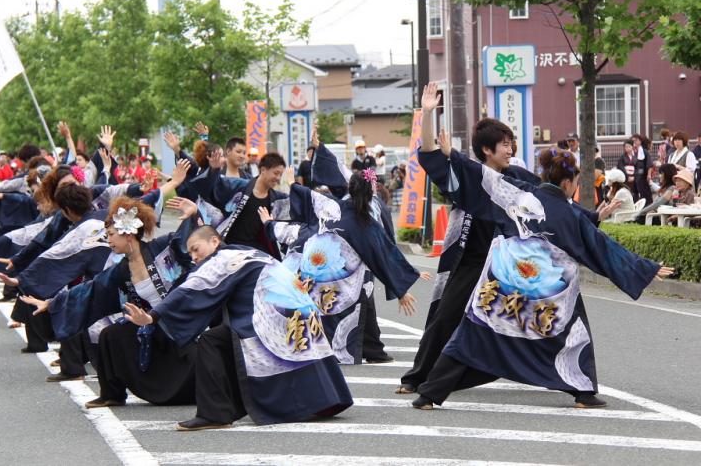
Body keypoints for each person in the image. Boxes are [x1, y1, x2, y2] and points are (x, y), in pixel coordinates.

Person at [411, 127, 672, 411]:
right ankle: (583, 392)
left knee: (473, 333)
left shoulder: (518, 191)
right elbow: (603, 248)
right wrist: (645, 269)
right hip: (544, 293)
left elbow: (483, 177)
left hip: (503, 284)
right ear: (568, 184)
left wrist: (452, 154)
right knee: (573, 332)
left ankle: (429, 394)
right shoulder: (569, 214)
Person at [124, 225, 353, 430]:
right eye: (190, 253)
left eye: (196, 249)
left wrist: (153, 316)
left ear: (214, 241)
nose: (193, 257)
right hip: (300, 308)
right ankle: (324, 400)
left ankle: (214, 413)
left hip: (272, 314)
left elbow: (193, 288)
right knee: (226, 341)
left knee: (211, 341)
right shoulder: (247, 252)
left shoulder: (223, 258)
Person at [397, 85, 543, 396]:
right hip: (471, 262)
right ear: (487, 149)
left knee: (529, 319)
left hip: (506, 267)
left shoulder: (517, 177)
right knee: (444, 317)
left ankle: (560, 377)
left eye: (512, 143)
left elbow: (548, 202)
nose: (510, 150)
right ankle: (417, 378)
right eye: (505, 144)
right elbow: (429, 154)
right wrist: (427, 113)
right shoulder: (466, 176)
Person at [20, 196, 198, 407]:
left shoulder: (161, 248)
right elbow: (91, 290)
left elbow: (187, 243)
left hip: (181, 322)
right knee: (111, 335)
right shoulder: (122, 270)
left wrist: (192, 216)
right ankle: (112, 394)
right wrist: (51, 303)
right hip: (150, 324)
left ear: (128, 233)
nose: (108, 240)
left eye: (111, 234)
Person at [260, 165, 427, 365]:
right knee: (345, 310)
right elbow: (384, 254)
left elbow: (306, 196)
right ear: (372, 193)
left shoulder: (331, 206)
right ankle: (341, 351)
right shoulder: (366, 223)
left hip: (312, 272)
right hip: (341, 280)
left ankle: (328, 349)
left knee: (318, 313)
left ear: (350, 188)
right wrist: (401, 289)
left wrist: (291, 185)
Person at [187, 151, 289, 259]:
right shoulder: (239, 186)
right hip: (230, 250)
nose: (278, 178)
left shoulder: (277, 199)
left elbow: (289, 222)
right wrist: (214, 170)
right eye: (276, 173)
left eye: (280, 175)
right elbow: (212, 188)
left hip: (256, 253)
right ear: (263, 169)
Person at [631, 134, 653, 205]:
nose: (635, 142)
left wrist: (649, 174)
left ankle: (648, 206)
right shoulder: (631, 151)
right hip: (633, 176)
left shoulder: (644, 151)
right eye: (633, 141)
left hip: (642, 176)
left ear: (640, 141)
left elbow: (649, 164)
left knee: (644, 192)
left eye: (636, 140)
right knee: (634, 193)